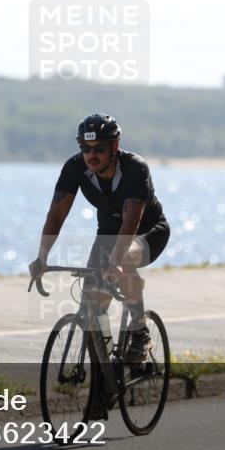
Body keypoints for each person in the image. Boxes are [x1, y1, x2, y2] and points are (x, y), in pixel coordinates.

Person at [29, 113, 170, 363]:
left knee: (124, 260)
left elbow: (132, 220)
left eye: (99, 148)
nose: (91, 154)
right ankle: (104, 383)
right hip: (107, 235)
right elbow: (56, 214)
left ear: (114, 147)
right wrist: (42, 258)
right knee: (92, 302)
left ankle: (139, 331)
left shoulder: (135, 168)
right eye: (85, 147)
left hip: (147, 231)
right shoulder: (75, 168)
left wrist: (116, 260)